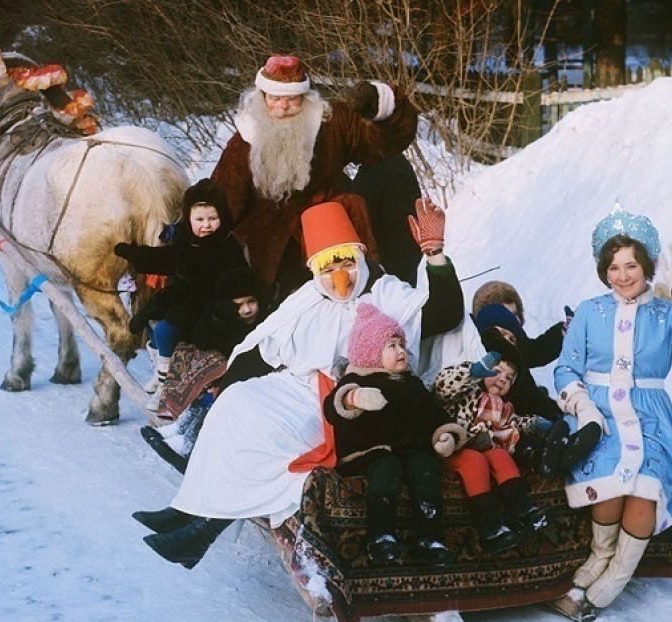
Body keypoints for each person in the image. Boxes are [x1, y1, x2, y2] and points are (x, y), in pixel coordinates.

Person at [132, 199, 484, 569]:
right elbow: (264, 348)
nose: (340, 275)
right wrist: (226, 385)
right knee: (234, 404)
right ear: (316, 269)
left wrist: (435, 254)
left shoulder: (387, 294)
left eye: (347, 262)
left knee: (266, 438)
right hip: (300, 386)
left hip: (349, 402)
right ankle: (187, 508)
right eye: (329, 266)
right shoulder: (309, 298)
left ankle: (205, 531)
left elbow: (444, 314)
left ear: (360, 259)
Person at [549, 203, 672, 622]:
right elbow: (566, 367)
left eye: (631, 265)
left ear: (648, 267)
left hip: (651, 417)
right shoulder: (590, 311)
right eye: (614, 267)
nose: (622, 275)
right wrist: (583, 407)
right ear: (603, 270)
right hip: (601, 414)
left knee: (645, 487)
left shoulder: (665, 313)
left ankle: (617, 574)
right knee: (609, 485)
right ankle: (600, 554)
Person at [210, 54, 419, 296]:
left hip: (330, 232)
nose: (283, 107)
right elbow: (221, 200)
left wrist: (378, 104)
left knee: (390, 169)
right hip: (268, 246)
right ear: (262, 99)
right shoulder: (244, 141)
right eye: (275, 98)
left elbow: (386, 143)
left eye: (292, 99)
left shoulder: (331, 122)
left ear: (305, 98)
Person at [324, 303, 467, 565]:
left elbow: (433, 415)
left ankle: (429, 538)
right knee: (386, 468)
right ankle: (381, 537)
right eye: (391, 345)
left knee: (426, 468)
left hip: (411, 450)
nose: (401, 351)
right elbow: (333, 408)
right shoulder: (358, 380)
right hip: (370, 451)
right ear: (370, 352)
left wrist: (445, 435)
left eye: (401, 344)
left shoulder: (411, 384)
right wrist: (355, 398)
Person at [114, 179, 248, 411]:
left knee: (167, 330)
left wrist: (232, 300)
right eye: (199, 220)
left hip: (210, 303)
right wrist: (135, 254)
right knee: (151, 322)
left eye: (212, 219)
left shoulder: (228, 245)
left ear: (222, 218)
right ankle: (160, 369)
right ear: (188, 219)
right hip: (186, 295)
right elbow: (164, 259)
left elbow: (239, 277)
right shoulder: (186, 242)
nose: (206, 225)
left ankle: (167, 387)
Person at [433, 348, 553, 553]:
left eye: (509, 378)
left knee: (500, 454)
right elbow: (443, 386)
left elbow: (513, 423)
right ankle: (490, 529)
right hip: (456, 446)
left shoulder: (504, 406)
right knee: (474, 460)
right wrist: (473, 371)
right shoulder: (467, 391)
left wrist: (532, 423)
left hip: (487, 447)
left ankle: (523, 510)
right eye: (497, 372)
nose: (502, 379)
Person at [350, 153, 423, 286]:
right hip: (371, 282)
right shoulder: (367, 171)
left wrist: (394, 290)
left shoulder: (393, 170)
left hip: (389, 285)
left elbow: (405, 244)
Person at [471, 280, 570, 368]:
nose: (516, 320)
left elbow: (534, 352)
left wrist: (562, 332)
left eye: (516, 314)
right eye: (508, 317)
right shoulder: (480, 354)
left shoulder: (514, 341)